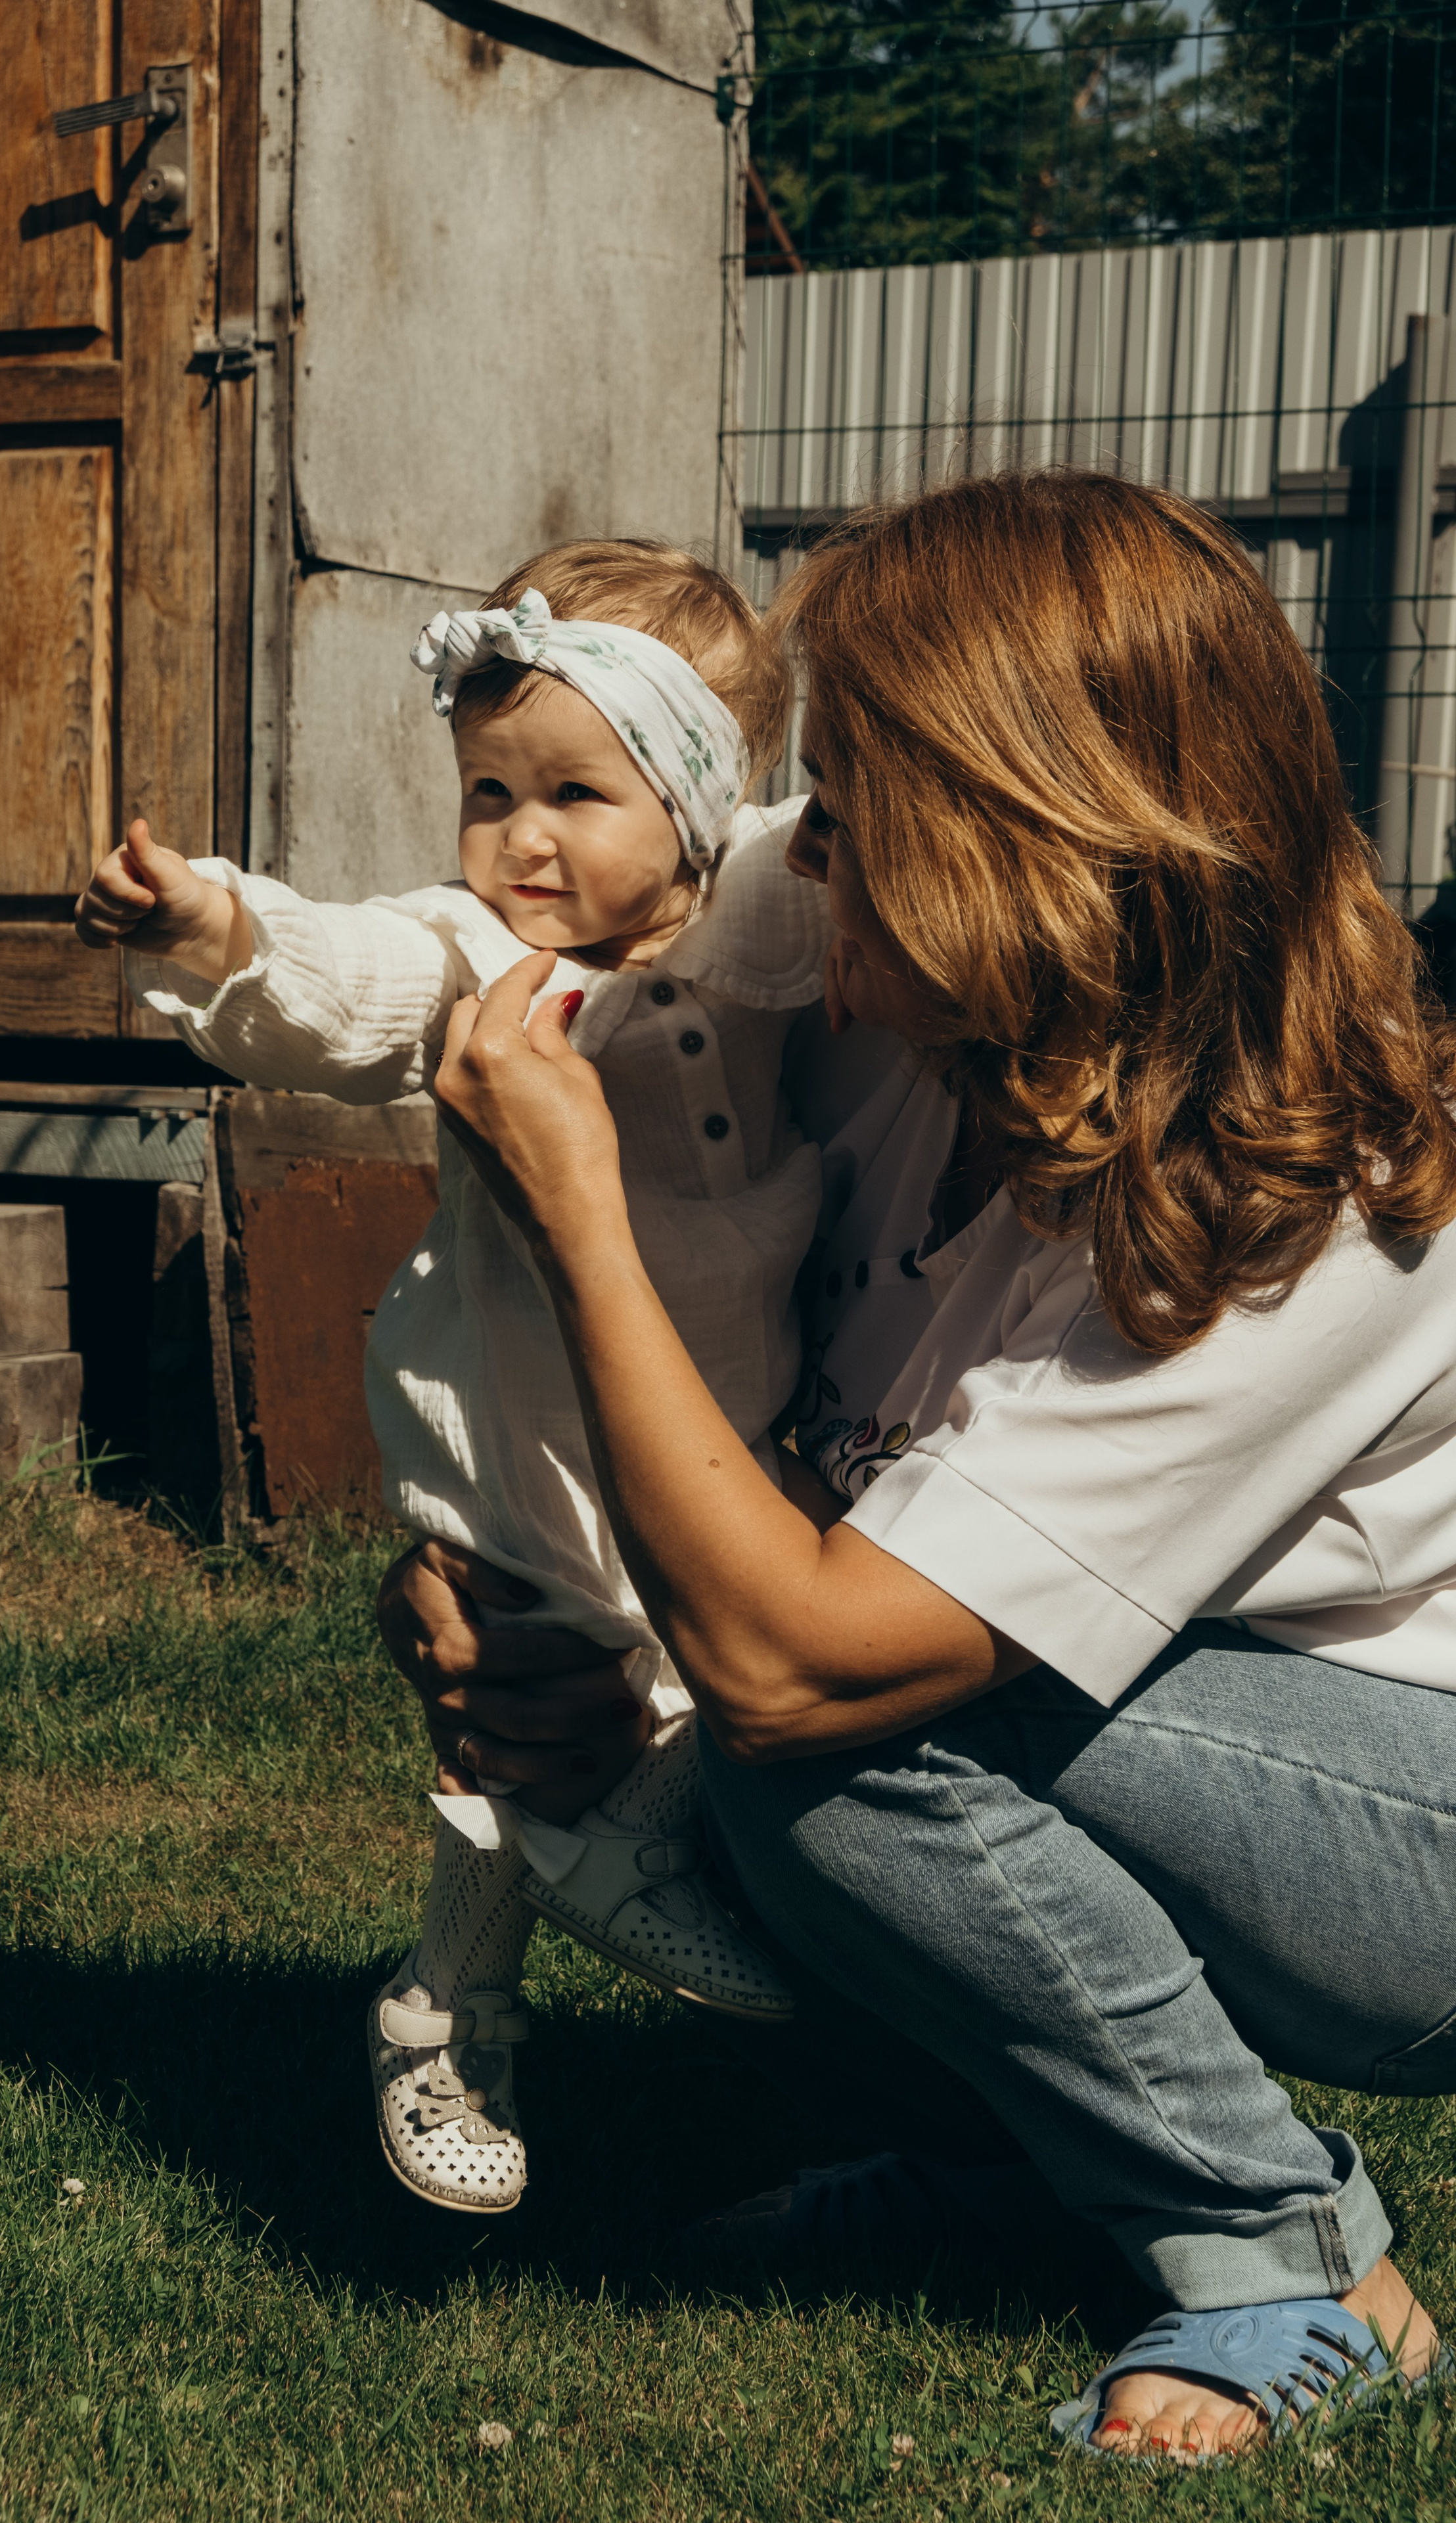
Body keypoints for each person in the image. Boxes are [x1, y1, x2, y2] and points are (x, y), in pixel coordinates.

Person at [390, 472, 1456, 2460]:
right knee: (741, 1725)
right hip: (1157, 1737)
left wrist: (580, 1213)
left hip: (1414, 1833)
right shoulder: (899, 1028)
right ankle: (1006, 2178)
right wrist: (491, 1595)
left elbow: (799, 1659)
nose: (801, 855)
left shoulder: (1323, 1202)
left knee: (828, 1732)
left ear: (1023, 844)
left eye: (856, 813)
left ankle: (1289, 2259)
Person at [72, 541, 835, 2214]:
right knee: (535, 1699)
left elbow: (853, 862)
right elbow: (350, 978)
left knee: (709, 1664)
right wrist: (215, 925)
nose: (516, 839)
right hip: (511, 1424)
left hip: (719, 1408)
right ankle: (482, 1984)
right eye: (488, 789)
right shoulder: (472, 949)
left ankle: (505, 1945)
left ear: (699, 800)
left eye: (573, 793)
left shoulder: (772, 898)